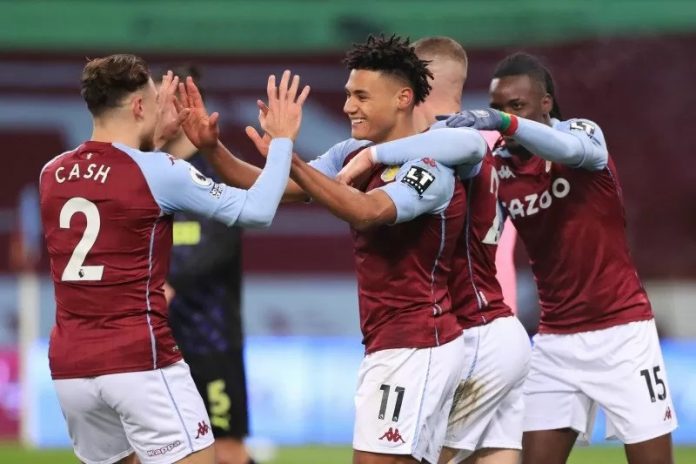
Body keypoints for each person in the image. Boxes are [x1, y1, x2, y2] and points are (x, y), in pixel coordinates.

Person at [177, 34, 487, 464]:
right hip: (395, 343)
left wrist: (293, 157)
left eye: (361, 95)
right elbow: (276, 186)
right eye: (347, 94)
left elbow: (367, 211)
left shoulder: (431, 166)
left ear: (403, 97)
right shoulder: (351, 152)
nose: (348, 106)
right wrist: (213, 149)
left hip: (417, 345)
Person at [396, 52, 678, 464]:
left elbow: (577, 150)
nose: (504, 116)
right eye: (497, 107)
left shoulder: (579, 134)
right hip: (554, 341)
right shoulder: (501, 167)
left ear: (545, 104)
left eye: (517, 106)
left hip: (623, 334)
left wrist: (504, 124)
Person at [39, 54, 309, 464]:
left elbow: (119, 178)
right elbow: (257, 210)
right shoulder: (161, 170)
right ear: (139, 107)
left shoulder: (51, 173)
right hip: (138, 359)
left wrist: (154, 139)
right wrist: (284, 140)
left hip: (70, 367)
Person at [336, 36, 531, 464]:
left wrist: (372, 156)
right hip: (500, 320)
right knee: (494, 453)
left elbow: (458, 147)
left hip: (467, 329)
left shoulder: (447, 140)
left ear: (411, 87)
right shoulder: (494, 142)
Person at [158, 65, 253, 464]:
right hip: (157, 344)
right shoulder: (148, 172)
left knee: (225, 449)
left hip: (211, 338)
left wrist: (165, 281)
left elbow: (219, 243)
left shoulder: (217, 171)